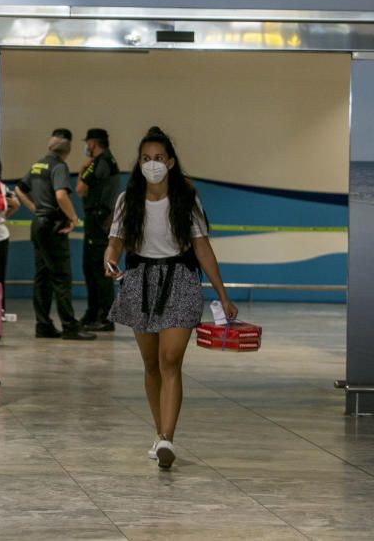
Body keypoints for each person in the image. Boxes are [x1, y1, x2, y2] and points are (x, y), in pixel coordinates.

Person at [105, 126, 238, 470]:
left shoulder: (186, 198)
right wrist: (110, 258)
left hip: (179, 279)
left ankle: (167, 437)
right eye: (146, 158)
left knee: (170, 358)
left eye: (159, 158)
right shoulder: (127, 199)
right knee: (151, 364)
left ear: (172, 163)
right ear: (138, 163)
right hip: (140, 280)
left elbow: (202, 248)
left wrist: (222, 294)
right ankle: (159, 432)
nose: (152, 164)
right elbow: (116, 240)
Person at [16, 129, 96, 340]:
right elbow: (61, 195)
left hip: (38, 225)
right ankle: (70, 326)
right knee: (61, 277)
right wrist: (73, 217)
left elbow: (19, 189)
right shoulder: (59, 167)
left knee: (42, 278)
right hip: (53, 227)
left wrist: (34, 208)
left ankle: (43, 325)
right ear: (67, 149)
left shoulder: (37, 165)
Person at [76, 128, 121, 331]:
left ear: (93, 144)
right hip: (99, 221)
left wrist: (81, 170)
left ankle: (104, 317)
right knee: (91, 268)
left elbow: (80, 189)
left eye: (88, 143)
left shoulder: (99, 163)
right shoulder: (108, 161)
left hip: (99, 222)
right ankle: (93, 313)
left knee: (98, 270)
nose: (86, 147)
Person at [0, 160, 20, 312]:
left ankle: (0, 309)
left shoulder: (4, 189)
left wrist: (4, 218)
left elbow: (16, 204)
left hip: (0, 237)